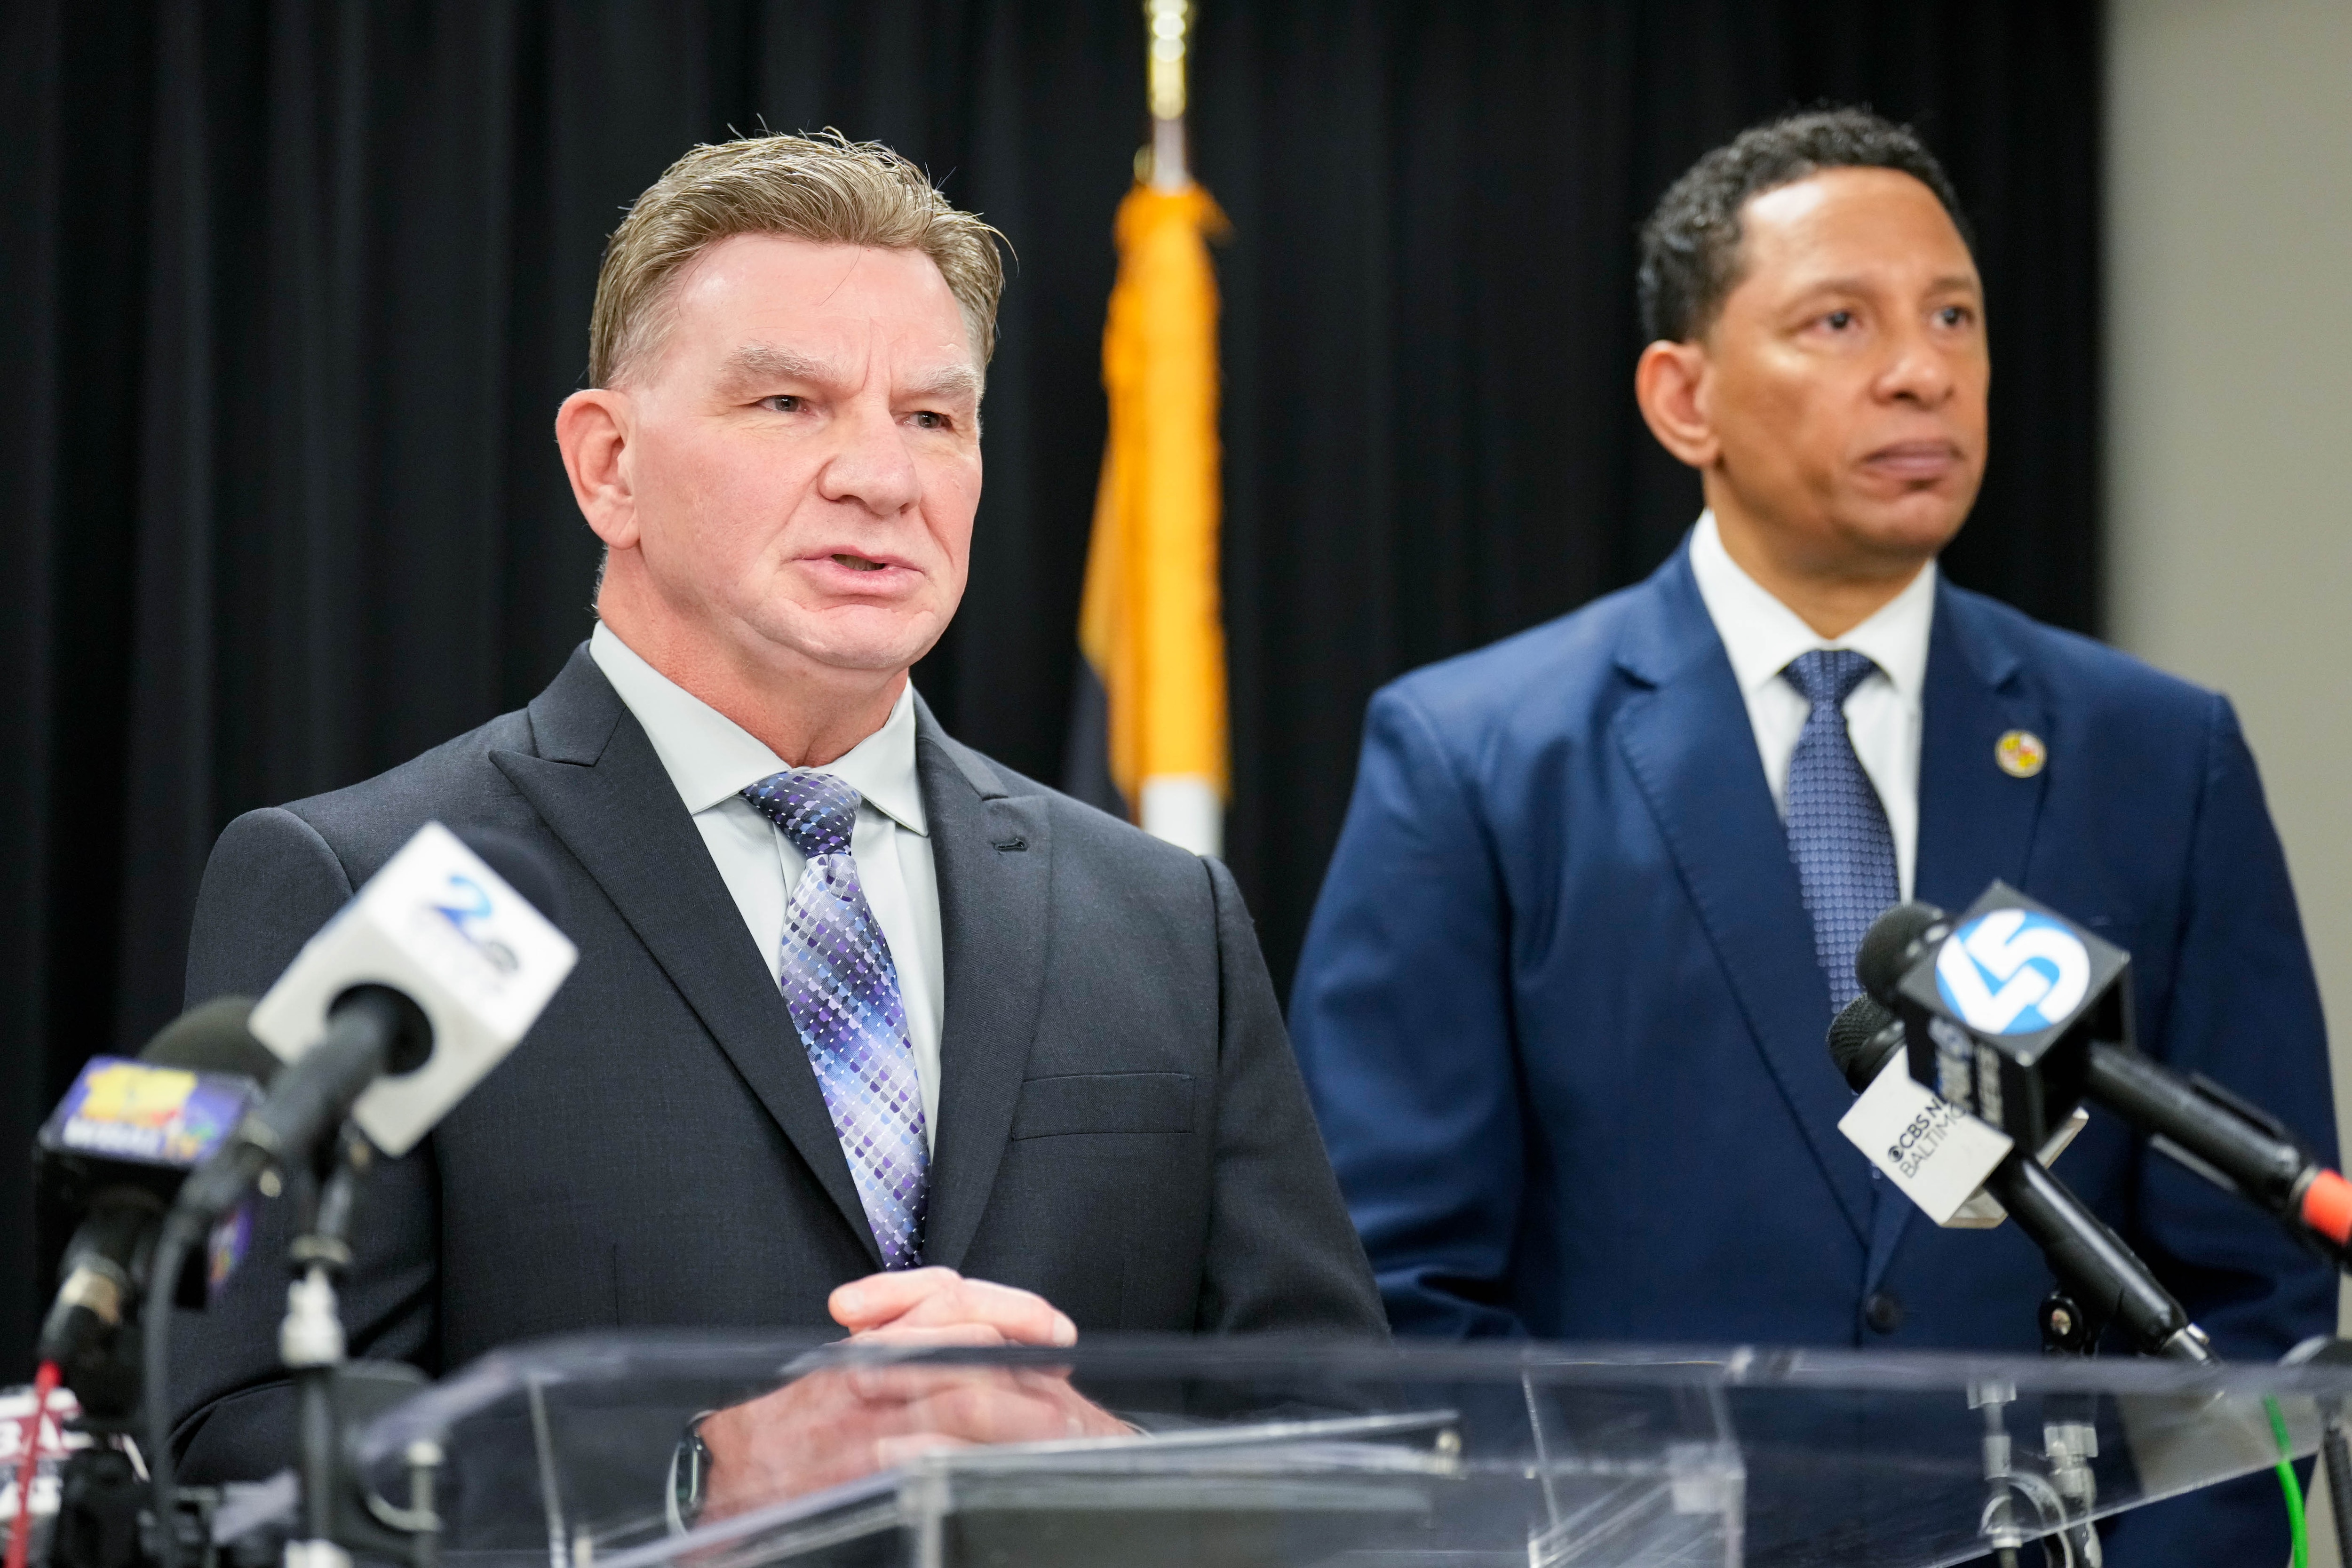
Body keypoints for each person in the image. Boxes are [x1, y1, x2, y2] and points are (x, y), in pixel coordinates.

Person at [170, 132, 1382, 1499]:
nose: (883, 478)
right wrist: (692, 1485)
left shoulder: (1161, 916)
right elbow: (230, 1445)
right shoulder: (376, 886)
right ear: (608, 466)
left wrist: (1107, 1463)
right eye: (791, 404)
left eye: (933, 419)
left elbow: (1347, 1439)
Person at [1288, 108, 2336, 1562]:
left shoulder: (2157, 755)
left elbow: (2254, 1297)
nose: (1922, 370)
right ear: (1684, 399)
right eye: (1840, 321)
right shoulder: (1476, 758)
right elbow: (1394, 1293)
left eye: (1954, 316)